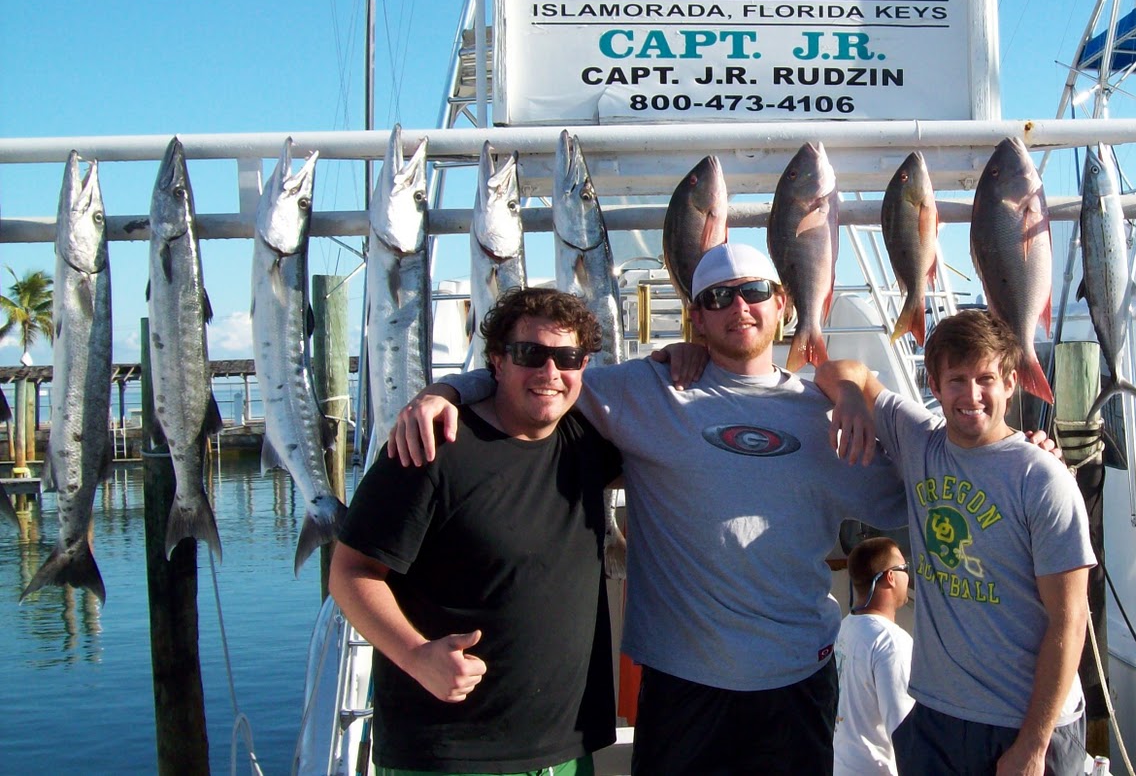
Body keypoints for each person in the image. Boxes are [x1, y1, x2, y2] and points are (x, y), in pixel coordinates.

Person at [388, 242, 907, 776]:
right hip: (681, 687)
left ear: (782, 304)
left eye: (753, 292)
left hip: (798, 682)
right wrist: (446, 389)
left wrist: (854, 382)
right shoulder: (650, 390)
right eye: (718, 297)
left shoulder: (826, 415)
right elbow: (545, 379)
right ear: (697, 319)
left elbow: (914, 490)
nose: (738, 307)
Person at [329, 287, 622, 775]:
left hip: (566, 747)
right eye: (531, 354)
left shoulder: (586, 444)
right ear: (497, 362)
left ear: (583, 366)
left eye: (567, 357)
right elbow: (350, 572)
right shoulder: (431, 447)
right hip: (450, 753)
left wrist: (685, 352)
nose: (550, 373)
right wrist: (417, 655)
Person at [818, 310, 1096, 776]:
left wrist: (1032, 746)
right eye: (957, 380)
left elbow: (1070, 621)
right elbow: (840, 370)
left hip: (1024, 724)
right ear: (934, 383)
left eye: (985, 378)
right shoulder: (919, 441)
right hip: (936, 719)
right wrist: (848, 396)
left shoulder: (1041, 479)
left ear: (1010, 382)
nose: (971, 396)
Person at [835, 536, 915, 776]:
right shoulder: (890, 642)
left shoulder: (842, 629)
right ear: (890, 577)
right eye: (905, 568)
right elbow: (905, 730)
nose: (907, 574)